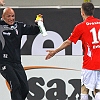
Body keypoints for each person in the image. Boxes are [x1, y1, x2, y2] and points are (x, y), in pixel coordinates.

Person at [45, 2, 100, 100]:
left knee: (84, 89)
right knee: (98, 90)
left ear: (82, 12)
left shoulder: (80, 27)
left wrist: (55, 51)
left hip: (89, 64)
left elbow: (68, 42)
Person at [0, 7, 41, 100]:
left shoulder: (19, 26)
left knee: (25, 89)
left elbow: (35, 30)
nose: (11, 18)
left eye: (13, 16)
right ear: (3, 17)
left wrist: (39, 22)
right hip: (4, 62)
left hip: (17, 63)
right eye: (8, 16)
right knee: (16, 85)